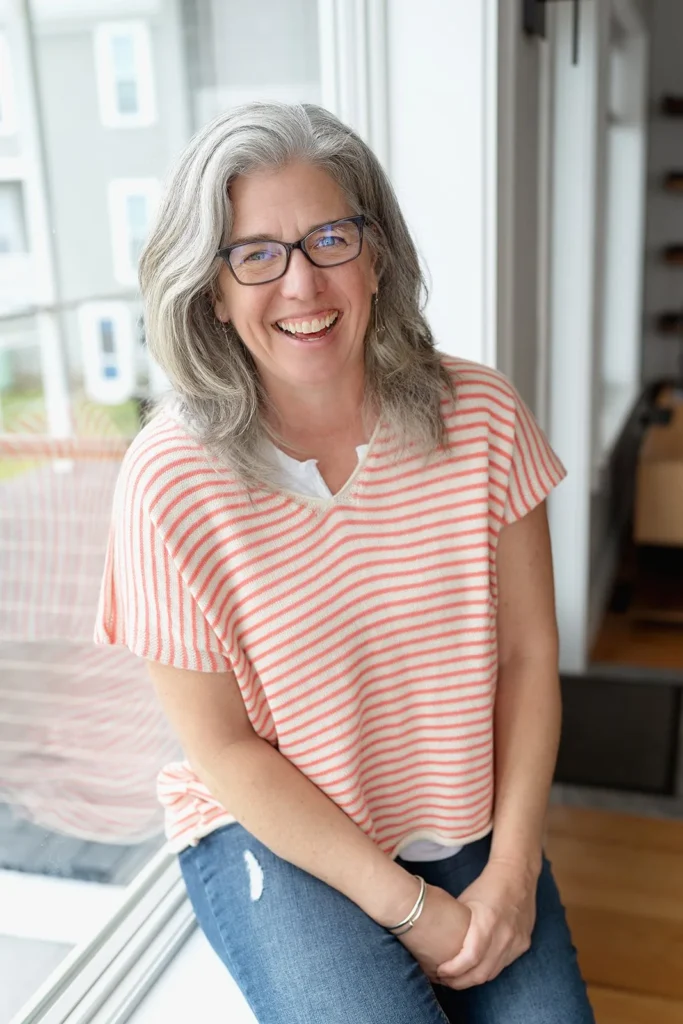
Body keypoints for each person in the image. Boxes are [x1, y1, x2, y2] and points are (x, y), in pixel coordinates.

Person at [94, 101, 595, 1024]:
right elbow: (224, 748)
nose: (302, 283)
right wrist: (411, 911)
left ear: (375, 255)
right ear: (211, 290)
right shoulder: (168, 479)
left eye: (330, 238)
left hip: (461, 813)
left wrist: (515, 871)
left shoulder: (483, 415)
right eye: (256, 254)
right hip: (273, 832)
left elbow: (528, 658)